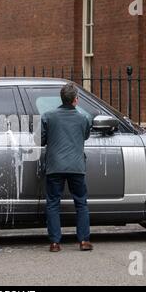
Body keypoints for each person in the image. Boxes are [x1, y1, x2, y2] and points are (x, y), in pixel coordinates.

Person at [41, 83, 93, 252]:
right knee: (81, 203)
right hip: (76, 166)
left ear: (62, 98)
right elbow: (84, 136)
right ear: (75, 100)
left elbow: (41, 140)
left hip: (55, 166)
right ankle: (84, 240)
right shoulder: (83, 119)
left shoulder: (48, 116)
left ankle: (55, 243)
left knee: (53, 203)